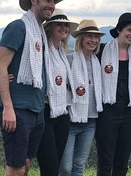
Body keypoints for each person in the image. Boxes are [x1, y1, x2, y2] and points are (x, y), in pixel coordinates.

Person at [0, 0, 67, 176]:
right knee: (16, 168)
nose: (51, 5)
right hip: (18, 109)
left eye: (54, 1)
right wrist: (8, 107)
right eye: (48, 0)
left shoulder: (40, 35)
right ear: (34, 0)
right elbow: (0, 65)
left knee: (25, 164)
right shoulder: (19, 27)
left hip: (36, 110)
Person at [96, 12, 131, 176]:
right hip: (107, 112)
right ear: (119, 30)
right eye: (129, 30)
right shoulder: (102, 51)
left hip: (130, 113)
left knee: (122, 161)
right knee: (105, 161)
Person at [59, 19, 104, 176]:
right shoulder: (70, 59)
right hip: (71, 119)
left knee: (79, 166)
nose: (93, 40)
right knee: (65, 167)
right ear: (81, 38)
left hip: (90, 120)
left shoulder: (97, 62)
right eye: (89, 36)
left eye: (96, 37)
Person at [37, 9, 78, 176]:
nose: (63, 28)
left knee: (56, 164)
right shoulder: (42, 50)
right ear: (50, 27)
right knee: (49, 166)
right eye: (59, 24)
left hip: (62, 112)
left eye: (65, 25)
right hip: (46, 111)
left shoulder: (62, 51)